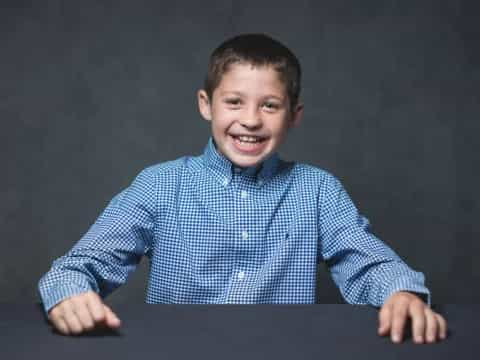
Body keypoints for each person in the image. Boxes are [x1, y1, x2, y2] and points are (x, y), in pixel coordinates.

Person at [38, 33, 448, 343]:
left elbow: (369, 263)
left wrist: (402, 293)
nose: (250, 120)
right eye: (234, 102)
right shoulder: (160, 185)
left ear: (294, 115)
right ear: (206, 105)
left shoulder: (318, 190)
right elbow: (77, 266)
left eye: (269, 105)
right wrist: (69, 295)